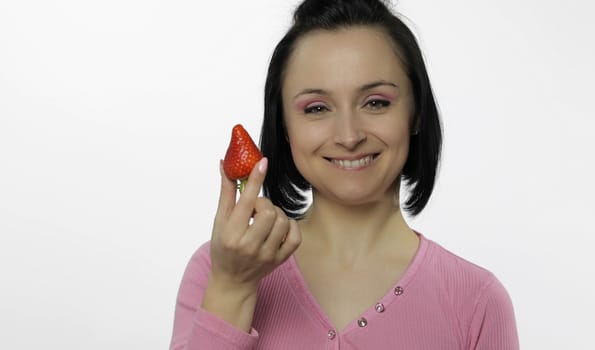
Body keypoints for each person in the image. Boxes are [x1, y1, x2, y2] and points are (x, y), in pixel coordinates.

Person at [170, 0, 519, 349]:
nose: (349, 136)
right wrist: (232, 288)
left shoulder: (478, 301)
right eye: (317, 108)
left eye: (376, 102)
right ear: (285, 127)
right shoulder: (217, 270)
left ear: (415, 113)